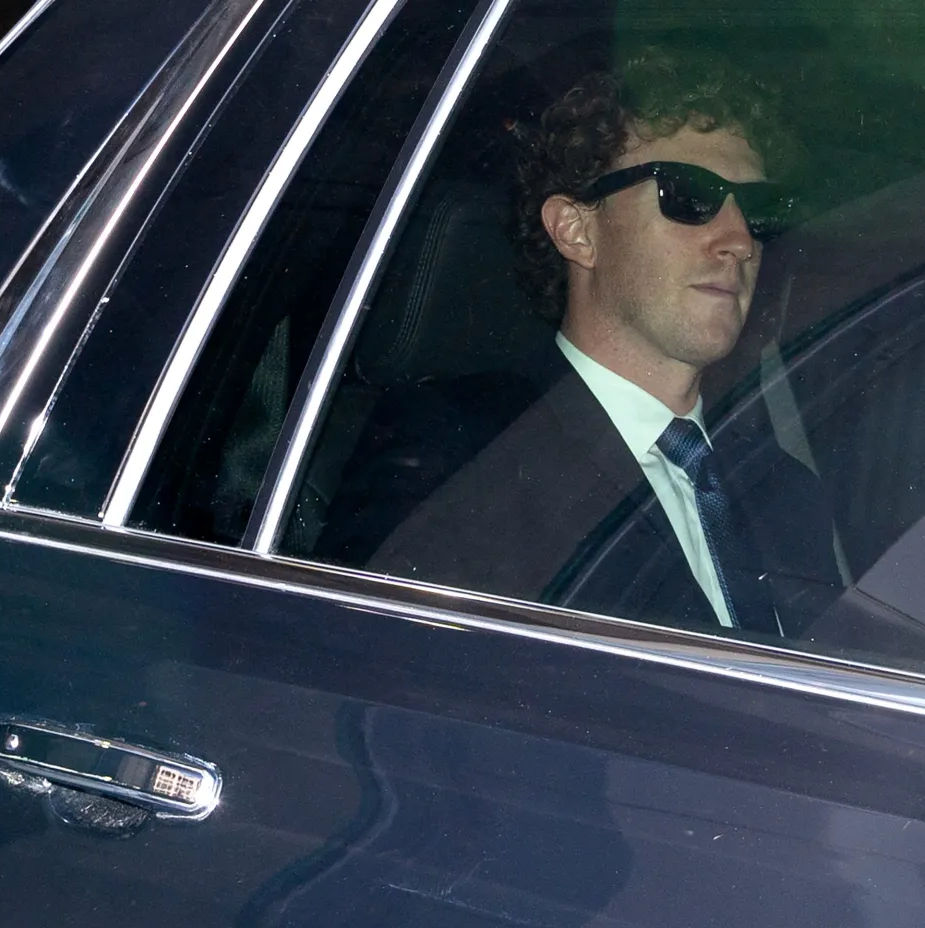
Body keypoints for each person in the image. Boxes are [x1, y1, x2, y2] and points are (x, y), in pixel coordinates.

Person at [342, 49, 842, 636]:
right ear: (577, 231)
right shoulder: (463, 452)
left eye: (756, 210)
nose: (738, 240)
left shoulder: (784, 488)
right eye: (687, 196)